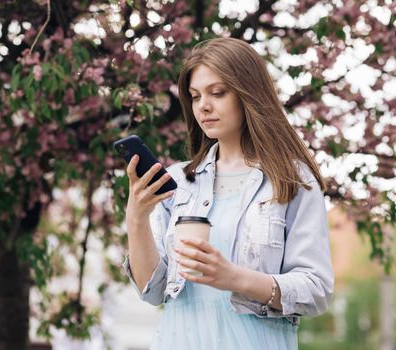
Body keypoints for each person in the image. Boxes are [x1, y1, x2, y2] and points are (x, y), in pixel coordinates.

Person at [122, 37, 334, 349]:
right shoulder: (178, 181)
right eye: (195, 97)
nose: (203, 106)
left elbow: (316, 290)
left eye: (217, 93)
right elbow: (153, 292)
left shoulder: (292, 180)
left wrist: (233, 278)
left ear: (248, 94)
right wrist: (136, 217)